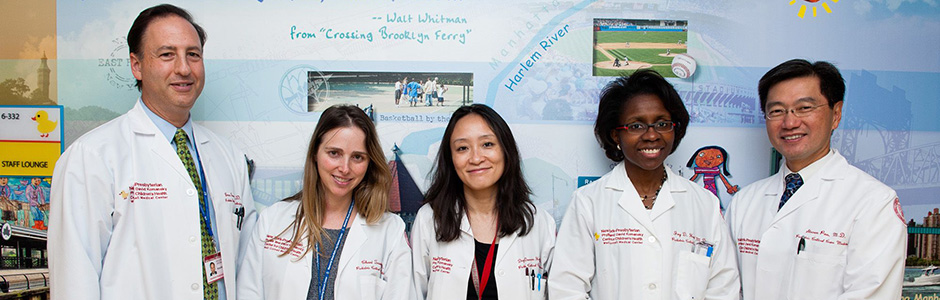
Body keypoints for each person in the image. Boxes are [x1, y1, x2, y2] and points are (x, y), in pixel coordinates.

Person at [49, 4, 257, 300]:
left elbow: (247, 266)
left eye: (193, 54)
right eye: (167, 54)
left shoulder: (230, 157)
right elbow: (74, 279)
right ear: (136, 65)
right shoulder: (92, 156)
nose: (184, 68)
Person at [550, 70, 739, 300]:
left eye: (662, 123)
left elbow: (723, 287)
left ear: (675, 129)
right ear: (615, 135)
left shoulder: (704, 203)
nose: (651, 135)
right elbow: (567, 288)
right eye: (636, 126)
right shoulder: (588, 202)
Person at [725, 59, 906, 299]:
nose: (790, 123)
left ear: (836, 114)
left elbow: (871, 294)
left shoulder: (874, 202)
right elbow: (724, 288)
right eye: (777, 111)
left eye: (804, 108)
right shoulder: (745, 202)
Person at [237, 105, 414, 300]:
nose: (344, 168)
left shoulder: (389, 231)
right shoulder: (272, 220)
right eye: (334, 153)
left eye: (357, 157)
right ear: (315, 153)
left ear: (369, 162)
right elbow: (248, 293)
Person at [412, 104, 556, 300]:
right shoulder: (429, 219)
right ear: (451, 159)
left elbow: (562, 291)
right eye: (462, 148)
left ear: (506, 150)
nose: (476, 158)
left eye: (487, 144)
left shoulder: (538, 222)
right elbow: (413, 293)